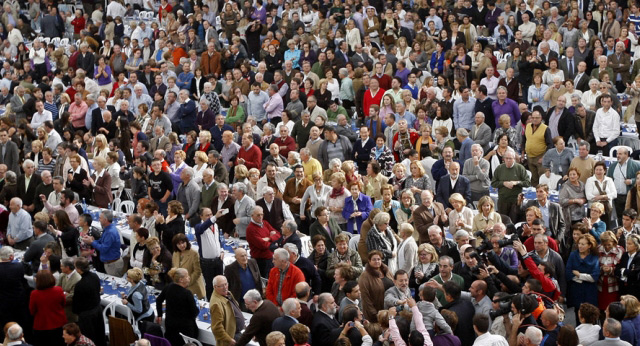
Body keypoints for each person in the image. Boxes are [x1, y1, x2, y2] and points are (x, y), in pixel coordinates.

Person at [155, 268, 199, 346]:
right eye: (187, 276)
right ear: (181, 279)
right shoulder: (187, 293)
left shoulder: (168, 287)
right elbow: (194, 312)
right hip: (184, 329)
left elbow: (159, 300)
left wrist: (159, 315)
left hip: (170, 325)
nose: (189, 277)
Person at [491, 148, 531, 221]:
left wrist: (517, 182)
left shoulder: (520, 168)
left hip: (515, 201)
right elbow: (493, 183)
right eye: (507, 158)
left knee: (514, 221)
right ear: (504, 159)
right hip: (503, 200)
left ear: (514, 159)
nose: (508, 160)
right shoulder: (500, 168)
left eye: (510, 158)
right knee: (502, 221)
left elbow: (528, 183)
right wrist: (503, 183)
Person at [72, 257, 104, 346]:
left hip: (87, 315)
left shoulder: (80, 285)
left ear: (78, 269)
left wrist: (76, 312)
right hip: (97, 309)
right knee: (99, 334)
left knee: (89, 337)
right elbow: (98, 290)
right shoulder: (94, 276)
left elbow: (76, 303)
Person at [29, 270, 67, 346]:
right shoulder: (58, 290)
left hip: (42, 325)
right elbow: (63, 303)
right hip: (59, 323)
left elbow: (32, 311)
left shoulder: (34, 294)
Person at [358, 251, 394, 323]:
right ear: (369, 261)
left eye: (378, 259)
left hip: (391, 310)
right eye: (374, 259)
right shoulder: (365, 276)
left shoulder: (386, 270)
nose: (377, 261)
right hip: (376, 313)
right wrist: (374, 314)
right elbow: (365, 297)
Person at [209, 275, 245, 346]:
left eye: (226, 284)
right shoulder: (216, 304)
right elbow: (216, 328)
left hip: (239, 332)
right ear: (215, 287)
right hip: (232, 337)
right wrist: (229, 339)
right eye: (221, 286)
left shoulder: (227, 293)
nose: (225, 287)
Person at [171, 233, 206, 299]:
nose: (182, 245)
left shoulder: (194, 253)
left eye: (183, 242)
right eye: (179, 244)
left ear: (186, 242)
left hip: (193, 287)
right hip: (180, 288)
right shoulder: (175, 253)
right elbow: (174, 270)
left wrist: (186, 282)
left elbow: (197, 272)